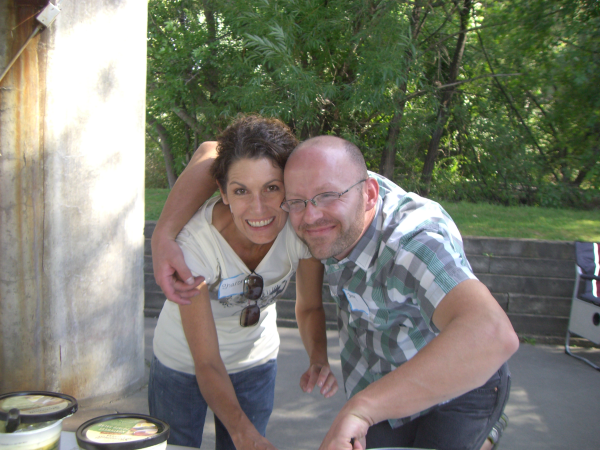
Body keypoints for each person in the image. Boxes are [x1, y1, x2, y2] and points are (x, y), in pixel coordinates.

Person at [152, 134, 519, 450]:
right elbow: (217, 152)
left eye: (328, 196)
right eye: (298, 200)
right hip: (378, 376)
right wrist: (163, 234)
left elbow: (491, 334)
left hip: (455, 383)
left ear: (369, 192)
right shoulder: (301, 211)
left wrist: (360, 408)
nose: (312, 217)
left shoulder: (412, 244)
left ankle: (483, 433)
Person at [148, 116, 338, 450]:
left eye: (272, 187)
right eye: (241, 191)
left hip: (255, 364)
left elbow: (309, 306)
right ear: (222, 192)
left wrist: (318, 356)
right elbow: (206, 363)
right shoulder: (193, 247)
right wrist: (241, 431)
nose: (259, 208)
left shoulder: (300, 232)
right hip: (182, 365)